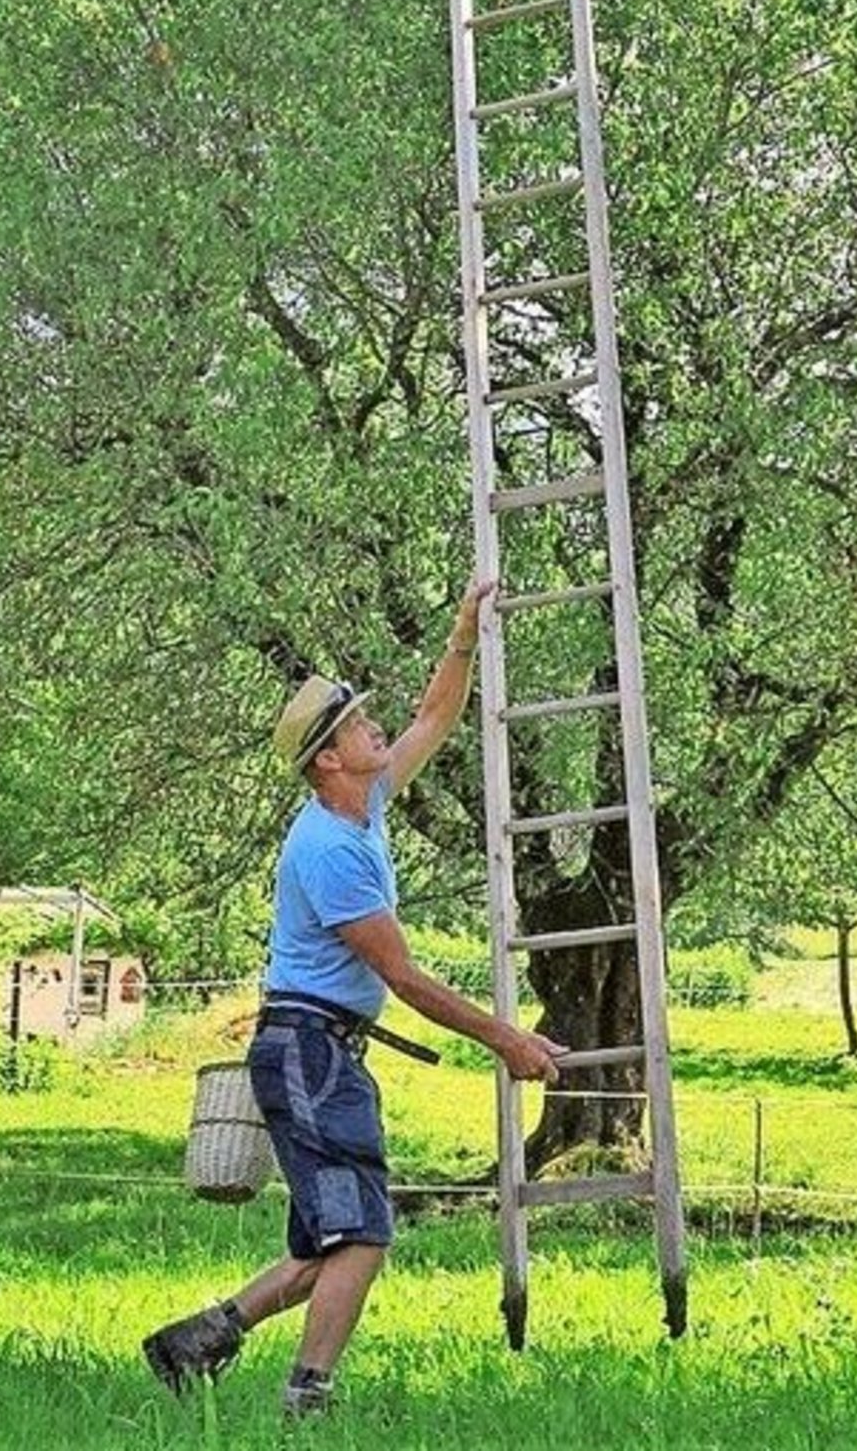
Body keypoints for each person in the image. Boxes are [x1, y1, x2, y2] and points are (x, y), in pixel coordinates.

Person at [143, 577, 562, 1419]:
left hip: (322, 1049)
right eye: (358, 724)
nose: (377, 727)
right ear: (327, 758)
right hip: (308, 1051)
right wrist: (506, 1039)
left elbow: (433, 721)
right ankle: (308, 1404)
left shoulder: (362, 804)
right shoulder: (330, 853)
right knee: (361, 1235)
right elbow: (403, 978)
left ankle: (193, 1342)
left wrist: (463, 635)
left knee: (320, 1247)